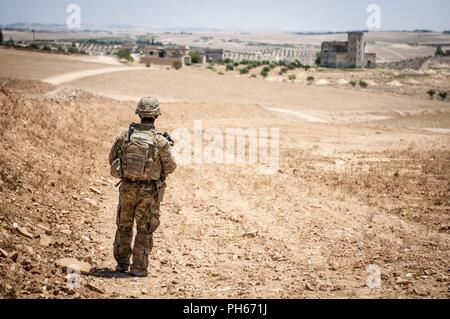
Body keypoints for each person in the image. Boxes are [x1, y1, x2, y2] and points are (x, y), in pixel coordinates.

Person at [108, 97, 177, 277]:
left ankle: (122, 264)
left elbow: (112, 160)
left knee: (124, 226)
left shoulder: (125, 136)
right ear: (156, 115)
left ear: (139, 113)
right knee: (144, 229)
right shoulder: (160, 141)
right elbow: (170, 167)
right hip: (149, 192)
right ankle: (139, 267)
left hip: (127, 188)